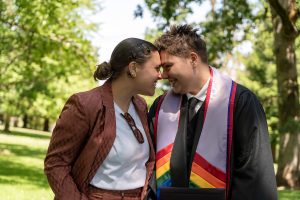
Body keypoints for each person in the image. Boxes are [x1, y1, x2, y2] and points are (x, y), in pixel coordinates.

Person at [147, 25, 277, 200]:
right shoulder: (161, 107)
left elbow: (253, 176)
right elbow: (150, 168)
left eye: (168, 66)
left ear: (193, 59)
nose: (162, 75)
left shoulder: (239, 103)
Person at [44, 38, 162, 200]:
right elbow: (56, 164)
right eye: (156, 68)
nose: (160, 75)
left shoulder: (141, 106)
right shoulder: (85, 104)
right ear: (133, 68)